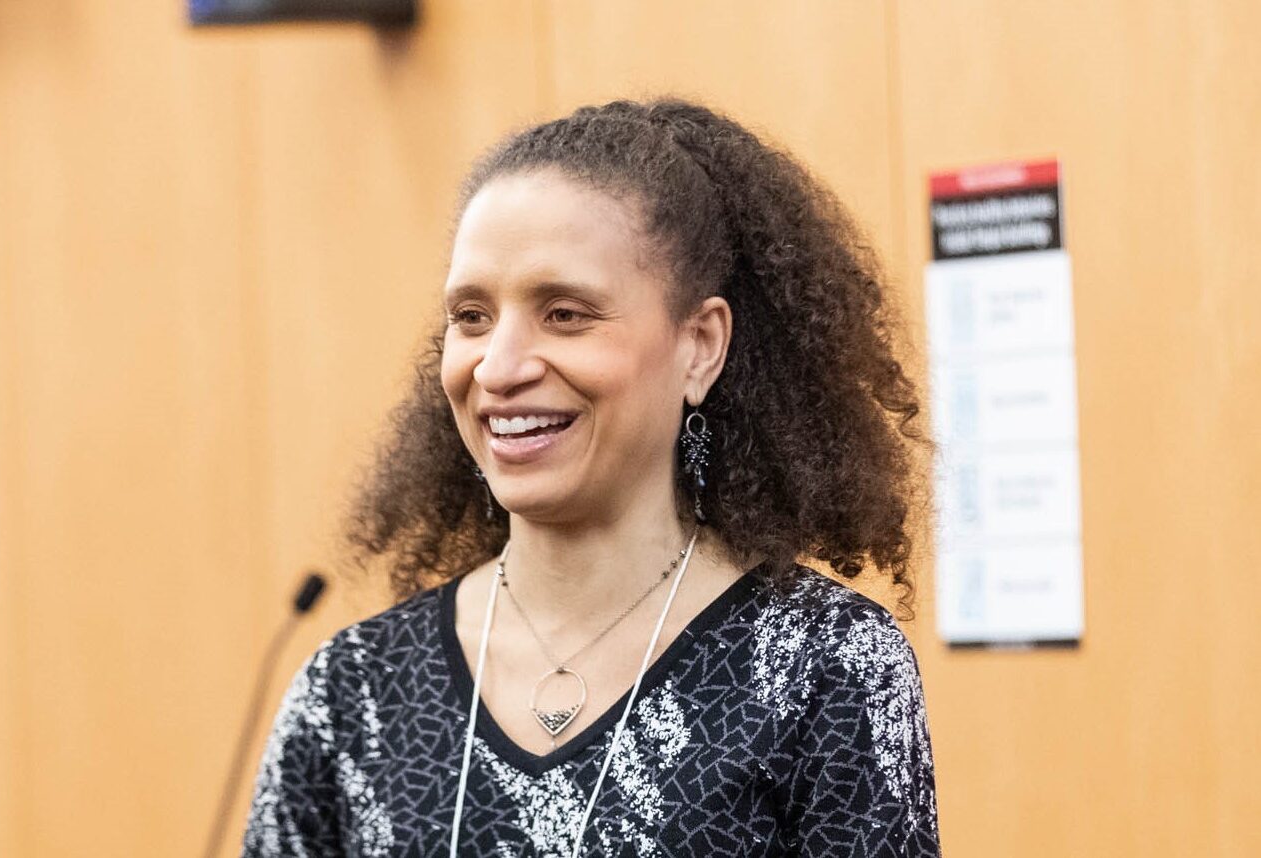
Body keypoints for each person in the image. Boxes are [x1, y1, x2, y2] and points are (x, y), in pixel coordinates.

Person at [240, 97, 940, 857]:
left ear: (699, 346)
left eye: (565, 313)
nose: (499, 367)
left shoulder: (819, 669)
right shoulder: (354, 692)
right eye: (471, 316)